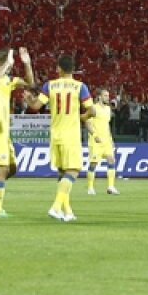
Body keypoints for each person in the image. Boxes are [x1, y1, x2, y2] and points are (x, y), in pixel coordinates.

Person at [30, 54, 93, 222]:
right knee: (73, 171)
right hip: (71, 135)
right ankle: (56, 207)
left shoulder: (49, 85)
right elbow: (92, 110)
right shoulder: (80, 87)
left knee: (63, 173)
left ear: (59, 68)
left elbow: (36, 106)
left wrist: (29, 99)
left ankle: (68, 212)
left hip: (55, 135)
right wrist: (82, 118)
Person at [0, 47, 35, 218]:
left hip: (4, 131)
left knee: (12, 169)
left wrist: (27, 64)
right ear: (0, 62)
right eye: (7, 64)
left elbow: (30, 83)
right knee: (3, 169)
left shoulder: (8, 80)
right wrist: (8, 64)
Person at [85, 89, 120, 196]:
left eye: (108, 95)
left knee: (111, 160)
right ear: (99, 97)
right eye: (105, 95)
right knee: (93, 164)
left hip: (106, 141)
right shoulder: (93, 108)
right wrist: (95, 136)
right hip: (96, 142)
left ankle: (111, 186)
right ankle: (90, 187)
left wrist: (110, 139)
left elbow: (106, 125)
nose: (107, 97)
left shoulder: (108, 109)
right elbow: (88, 123)